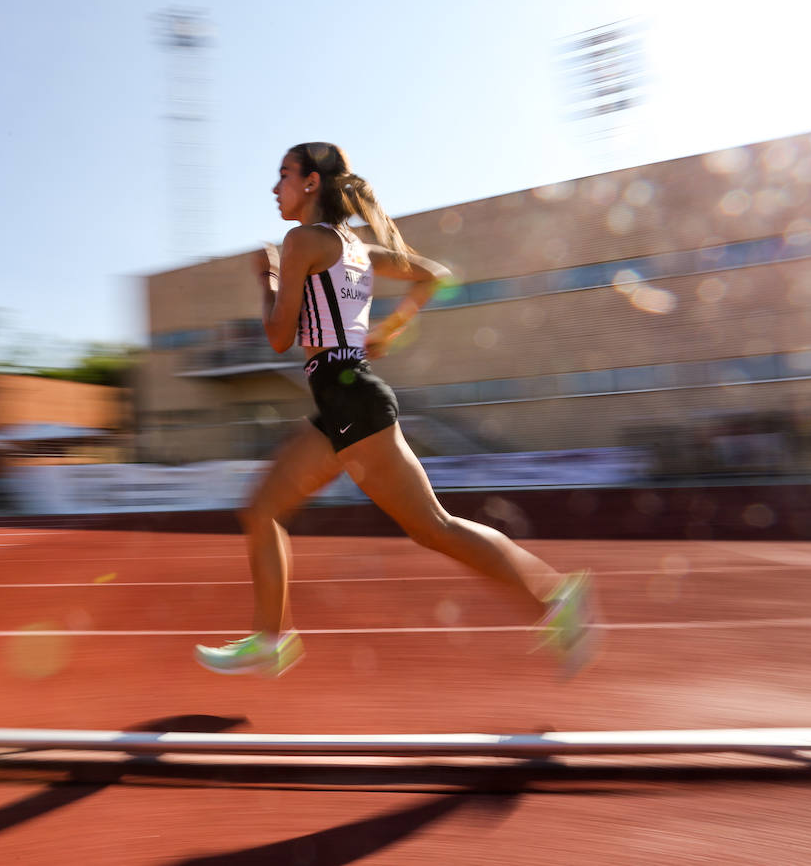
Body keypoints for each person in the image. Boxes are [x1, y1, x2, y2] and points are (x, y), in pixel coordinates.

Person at [194, 142, 600, 679]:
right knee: (264, 510)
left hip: (349, 400)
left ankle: (555, 597)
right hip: (344, 397)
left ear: (312, 183)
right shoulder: (356, 248)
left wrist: (266, 278)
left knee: (434, 527)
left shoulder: (301, 241)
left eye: (284, 176)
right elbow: (435, 274)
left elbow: (277, 337)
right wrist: (389, 330)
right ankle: (271, 637)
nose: (275, 188)